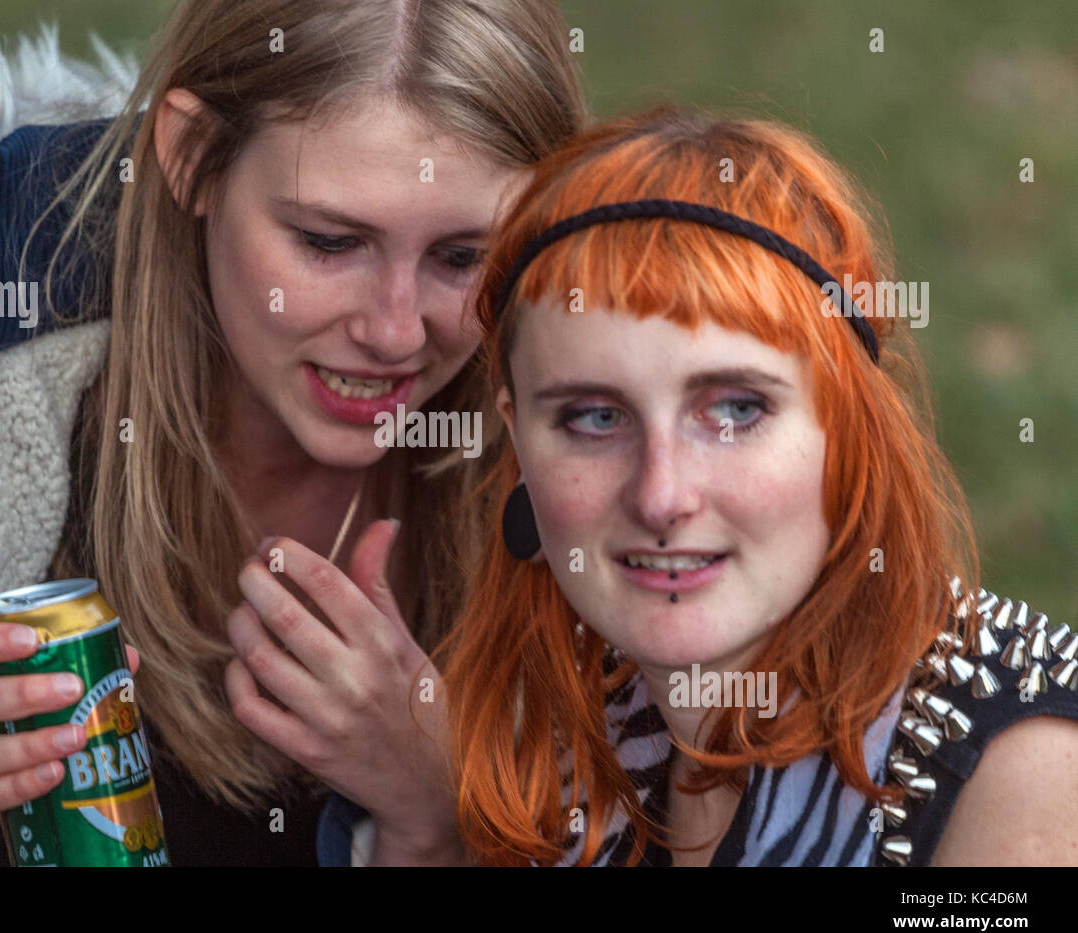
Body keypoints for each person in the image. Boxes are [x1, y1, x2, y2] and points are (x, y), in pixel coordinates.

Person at [0, 0, 586, 865]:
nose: (395, 331)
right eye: (328, 242)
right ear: (192, 157)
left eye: (462, 258)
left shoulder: (600, 426)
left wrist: (444, 810)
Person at [418, 106, 1075, 866]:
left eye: (735, 408)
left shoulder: (1024, 782)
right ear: (518, 437)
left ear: (847, 428)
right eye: (595, 416)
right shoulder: (579, 730)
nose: (662, 495)